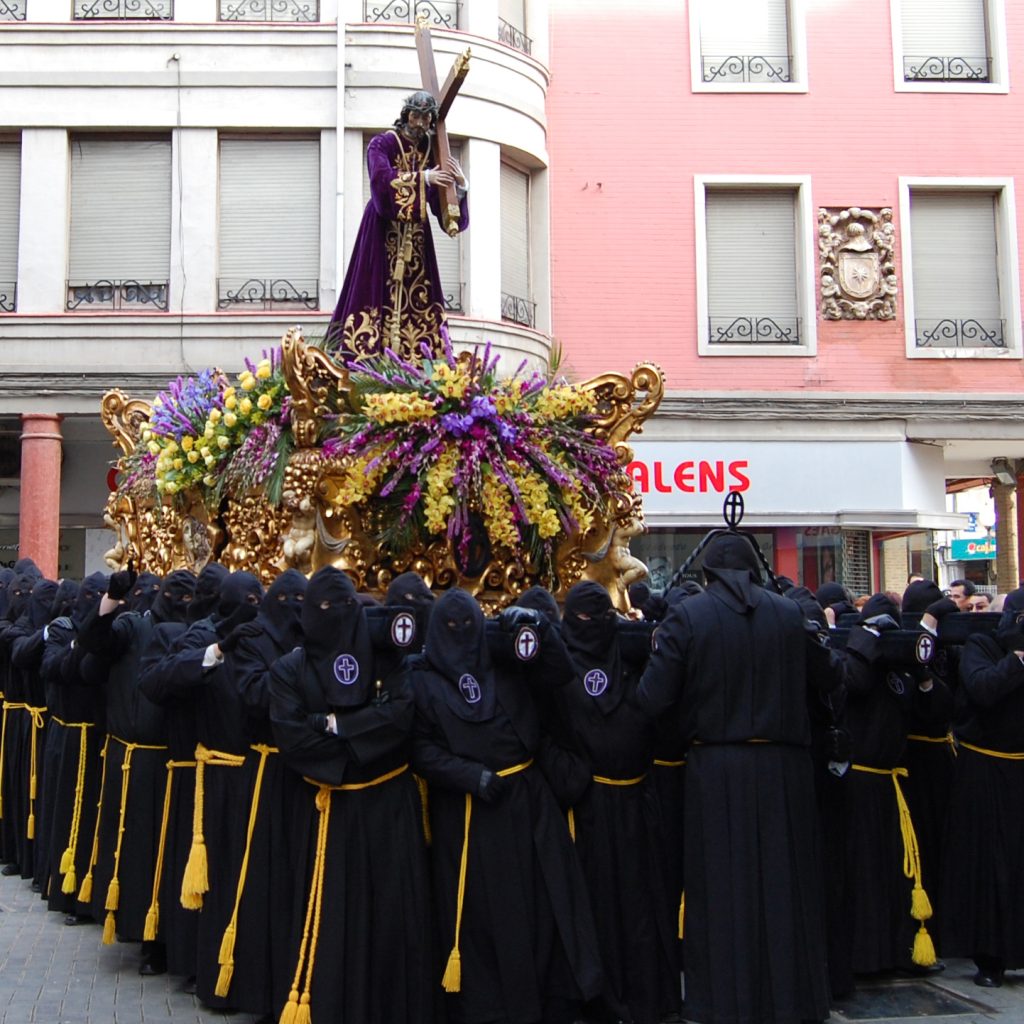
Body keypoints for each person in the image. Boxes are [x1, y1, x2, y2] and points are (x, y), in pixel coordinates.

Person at [637, 533, 834, 1024]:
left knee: (719, 888)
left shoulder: (689, 617)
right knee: (785, 887)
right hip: (784, 773)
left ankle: (722, 1000)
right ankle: (790, 998)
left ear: (707, 574)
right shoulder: (789, 615)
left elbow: (651, 698)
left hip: (716, 771)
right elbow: (830, 677)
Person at [410, 588, 603, 1024]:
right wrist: (469, 776)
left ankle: (551, 996)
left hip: (528, 802)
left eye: (467, 626)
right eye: (451, 629)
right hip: (471, 815)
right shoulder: (423, 680)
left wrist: (538, 627)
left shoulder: (506, 665)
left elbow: (558, 673)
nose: (460, 636)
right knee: (483, 918)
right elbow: (421, 749)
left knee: (544, 906)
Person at [270, 566, 434, 1024]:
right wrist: (361, 742)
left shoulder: (385, 657)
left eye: (343, 607)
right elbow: (293, 739)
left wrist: (337, 725)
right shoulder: (291, 669)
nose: (336, 617)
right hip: (331, 810)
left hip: (388, 809)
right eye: (324, 608)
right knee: (334, 921)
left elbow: (401, 717)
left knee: (393, 919)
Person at [556, 581, 679, 1024]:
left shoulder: (631, 657)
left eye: (598, 618)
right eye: (583, 620)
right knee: (596, 906)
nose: (590, 628)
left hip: (636, 799)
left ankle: (647, 995)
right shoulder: (560, 664)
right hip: (587, 807)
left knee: (641, 905)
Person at [325, 90, 469, 362]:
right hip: (381, 233)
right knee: (372, 293)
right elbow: (381, 185)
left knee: (420, 304)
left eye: (426, 118)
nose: (420, 124)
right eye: (416, 116)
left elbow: (442, 209)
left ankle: (419, 363)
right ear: (407, 115)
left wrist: (460, 187)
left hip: (416, 239)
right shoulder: (382, 143)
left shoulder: (430, 148)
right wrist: (423, 178)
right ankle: (365, 362)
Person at [941, 604, 1024, 987]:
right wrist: (1018, 660)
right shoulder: (981, 644)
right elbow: (983, 689)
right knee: (988, 869)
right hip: (983, 771)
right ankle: (988, 958)